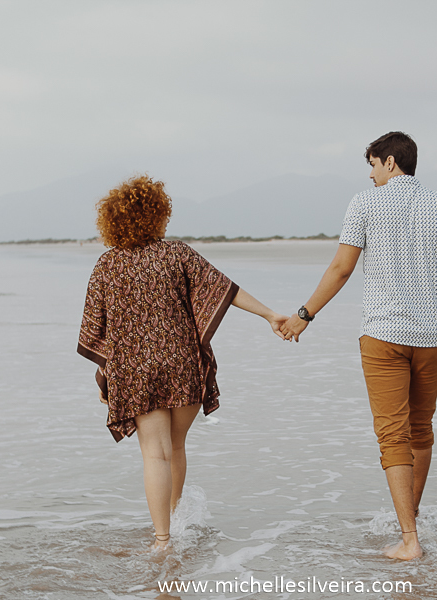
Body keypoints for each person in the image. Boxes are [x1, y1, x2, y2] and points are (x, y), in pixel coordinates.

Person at [281, 132, 437, 560]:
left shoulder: (364, 204)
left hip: (384, 336)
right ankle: (413, 516)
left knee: (392, 436)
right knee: (420, 431)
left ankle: (409, 540)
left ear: (390, 162)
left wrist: (304, 315)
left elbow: (341, 268)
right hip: (431, 337)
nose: (370, 174)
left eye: (372, 165)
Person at [77, 175, 287, 550]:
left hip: (137, 372)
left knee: (154, 455)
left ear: (113, 220)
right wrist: (270, 315)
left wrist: (109, 379)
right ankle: (175, 521)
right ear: (158, 214)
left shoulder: (107, 265)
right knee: (175, 447)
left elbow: (98, 329)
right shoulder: (177, 254)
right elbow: (226, 289)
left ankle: (162, 540)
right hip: (182, 366)